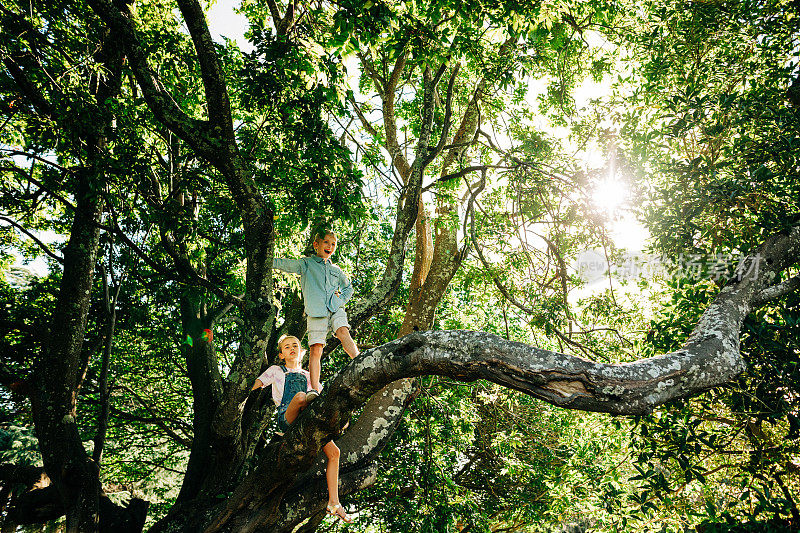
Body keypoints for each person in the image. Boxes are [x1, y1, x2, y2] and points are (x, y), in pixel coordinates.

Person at [251, 335, 352, 522]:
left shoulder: (308, 375)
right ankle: (310, 404)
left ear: (302, 350)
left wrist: (339, 418)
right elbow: (256, 384)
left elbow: (324, 398)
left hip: (307, 420)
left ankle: (334, 501)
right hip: (287, 418)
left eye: (295, 345)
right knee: (300, 397)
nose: (291, 349)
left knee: (334, 453)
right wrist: (242, 390)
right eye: (287, 347)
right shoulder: (276, 370)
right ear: (281, 354)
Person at [273, 227, 359, 393]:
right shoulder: (306, 264)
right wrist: (268, 260)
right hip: (316, 312)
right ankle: (313, 389)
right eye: (326, 242)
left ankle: (360, 360)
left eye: (333, 244)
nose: (330, 246)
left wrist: (340, 299)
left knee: (342, 331)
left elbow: (348, 288)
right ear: (316, 244)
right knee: (316, 349)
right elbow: (287, 265)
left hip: (335, 308)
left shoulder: (336, 271)